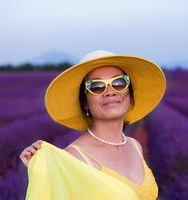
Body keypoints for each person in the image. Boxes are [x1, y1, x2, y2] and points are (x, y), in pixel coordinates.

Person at [19, 50, 167, 200]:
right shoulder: (74, 157)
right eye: (97, 86)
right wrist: (42, 170)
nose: (110, 91)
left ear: (129, 95)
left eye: (119, 83)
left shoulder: (135, 146)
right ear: (85, 103)